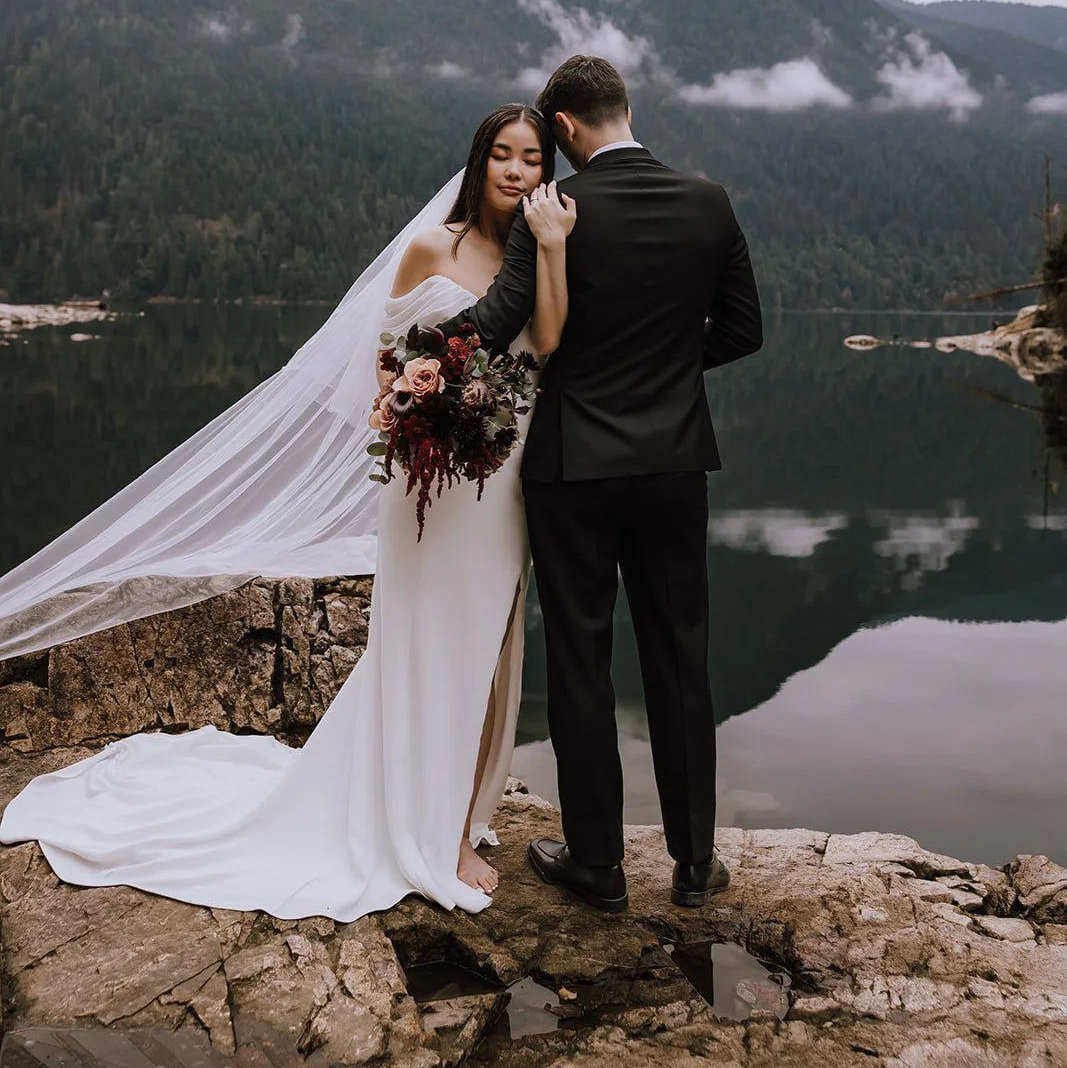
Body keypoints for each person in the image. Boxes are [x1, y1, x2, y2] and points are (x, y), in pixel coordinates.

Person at [0, 104, 575, 919]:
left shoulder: (535, 247)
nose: (517, 173)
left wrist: (551, 248)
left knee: (483, 641)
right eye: (503, 157)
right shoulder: (430, 247)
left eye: (531, 160)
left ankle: (459, 807)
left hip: (502, 473)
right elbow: (387, 360)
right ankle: (426, 828)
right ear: (479, 162)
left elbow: (546, 342)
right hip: (430, 484)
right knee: (425, 642)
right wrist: (415, 405)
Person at [441, 56, 763, 914]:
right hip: (672, 465)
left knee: (581, 659)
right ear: (624, 110)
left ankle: (598, 866)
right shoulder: (709, 203)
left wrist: (417, 359)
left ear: (567, 128)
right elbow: (742, 329)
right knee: (678, 656)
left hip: (572, 467)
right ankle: (695, 865)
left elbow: (494, 322)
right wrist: (661, 372)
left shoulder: (557, 214)